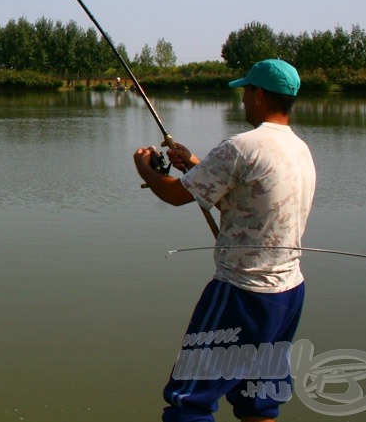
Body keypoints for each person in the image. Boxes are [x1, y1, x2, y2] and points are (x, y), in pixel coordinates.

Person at [132, 59, 316, 422]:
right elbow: (248, 196)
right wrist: (195, 164)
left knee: (189, 401)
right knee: (258, 398)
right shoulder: (299, 149)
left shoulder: (242, 146)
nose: (243, 99)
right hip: (289, 292)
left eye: (247, 91)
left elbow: (174, 196)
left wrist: (144, 169)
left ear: (260, 95)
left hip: (242, 292)